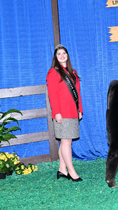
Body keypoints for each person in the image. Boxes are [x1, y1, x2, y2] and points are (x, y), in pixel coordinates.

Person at [46, 44, 83, 182]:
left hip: (73, 111)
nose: (62, 56)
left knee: (65, 141)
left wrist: (80, 109)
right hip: (62, 112)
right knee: (66, 141)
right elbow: (52, 95)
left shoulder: (73, 72)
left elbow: (77, 93)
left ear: (67, 55)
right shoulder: (53, 72)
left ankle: (62, 169)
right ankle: (71, 172)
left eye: (64, 53)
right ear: (55, 57)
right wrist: (57, 113)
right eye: (59, 54)